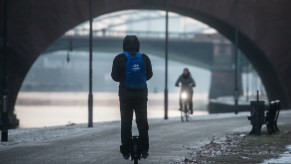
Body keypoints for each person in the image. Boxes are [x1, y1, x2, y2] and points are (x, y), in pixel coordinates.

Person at [111, 35, 153, 160]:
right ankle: (145, 150)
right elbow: (149, 75)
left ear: (124, 45)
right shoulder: (144, 58)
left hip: (125, 96)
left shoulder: (119, 58)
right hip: (141, 95)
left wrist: (124, 80)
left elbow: (114, 77)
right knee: (142, 122)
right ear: (138, 45)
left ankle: (125, 151)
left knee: (126, 123)